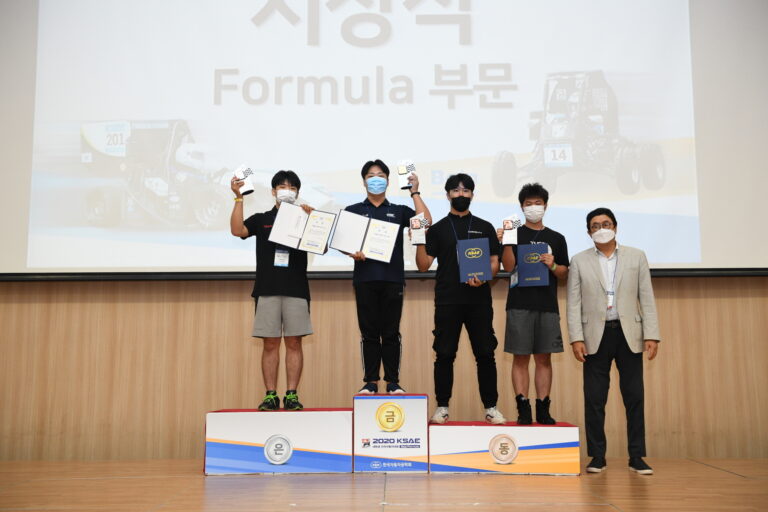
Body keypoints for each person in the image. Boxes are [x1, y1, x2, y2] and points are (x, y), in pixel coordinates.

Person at [566, 207, 660, 475]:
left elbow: (647, 297)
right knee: (594, 398)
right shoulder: (579, 260)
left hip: (629, 333)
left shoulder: (636, 256)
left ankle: (636, 456)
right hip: (594, 336)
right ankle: (597, 456)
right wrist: (576, 338)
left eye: (606, 224)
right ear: (588, 232)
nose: (601, 229)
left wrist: (652, 334)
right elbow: (573, 303)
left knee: (634, 396)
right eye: (595, 226)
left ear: (615, 227)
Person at [416, 173, 506, 424]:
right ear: (447, 195)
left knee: (485, 354)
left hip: (479, 301)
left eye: (466, 190)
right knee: (444, 355)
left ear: (472, 195)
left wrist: (484, 277)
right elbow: (423, 265)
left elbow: (495, 263)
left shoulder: (485, 227)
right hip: (448, 300)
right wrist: (419, 239)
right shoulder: (438, 229)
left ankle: (491, 408)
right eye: (456, 190)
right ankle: (442, 407)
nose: (461, 194)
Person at [230, 170, 315, 411]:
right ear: (273, 191)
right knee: (270, 344)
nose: (287, 191)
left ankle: (291, 394)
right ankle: (270, 395)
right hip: (267, 289)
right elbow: (238, 230)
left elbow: (323, 246)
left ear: (297, 193)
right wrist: (238, 198)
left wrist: (314, 221)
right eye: (282, 187)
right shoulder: (262, 218)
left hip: (296, 289)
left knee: (294, 343)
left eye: (292, 188)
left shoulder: (305, 217)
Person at [345, 159, 432, 394]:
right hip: (365, 279)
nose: (376, 179)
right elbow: (342, 241)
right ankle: (371, 382)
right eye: (371, 176)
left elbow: (426, 221)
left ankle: (393, 382)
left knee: (391, 333)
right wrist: (351, 251)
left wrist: (414, 192)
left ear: (388, 181)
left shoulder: (399, 211)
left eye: (381, 175)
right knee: (369, 334)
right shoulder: (353, 210)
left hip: (392, 279)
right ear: (364, 182)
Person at [499, 183, 568, 425]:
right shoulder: (513, 234)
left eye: (538, 203)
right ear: (521, 207)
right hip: (519, 304)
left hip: (547, 305)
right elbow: (508, 267)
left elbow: (563, 273)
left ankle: (543, 408)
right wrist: (507, 241)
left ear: (545, 206)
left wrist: (552, 264)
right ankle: (523, 409)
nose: (533, 207)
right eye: (528, 204)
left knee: (544, 359)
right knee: (520, 358)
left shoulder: (557, 238)